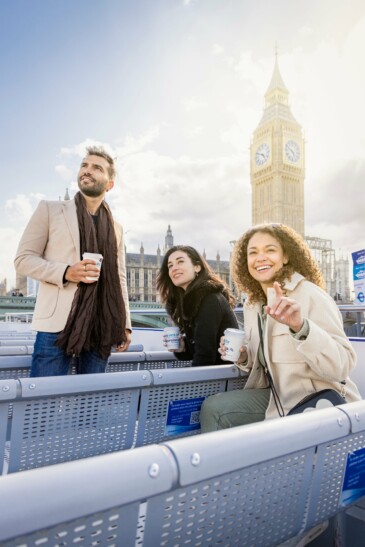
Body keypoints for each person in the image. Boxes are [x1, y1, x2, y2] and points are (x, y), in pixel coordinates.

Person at [200, 223, 361, 431]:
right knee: (213, 407)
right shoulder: (253, 304)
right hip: (277, 398)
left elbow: (343, 364)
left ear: (286, 256)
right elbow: (263, 358)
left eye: (270, 250)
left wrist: (301, 327)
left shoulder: (310, 295)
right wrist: (243, 356)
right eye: (253, 252)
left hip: (318, 403)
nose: (260, 258)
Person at [14, 145, 131, 376]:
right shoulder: (50, 209)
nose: (87, 171)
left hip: (101, 324)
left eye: (97, 168)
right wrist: (67, 272)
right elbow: (23, 260)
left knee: (89, 404)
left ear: (109, 184)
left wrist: (125, 323)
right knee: (42, 404)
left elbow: (120, 277)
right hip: (56, 325)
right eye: (84, 165)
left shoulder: (116, 228)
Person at [157, 245, 239, 366]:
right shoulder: (189, 300)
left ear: (197, 267)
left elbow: (205, 357)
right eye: (170, 265)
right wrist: (183, 347)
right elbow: (200, 348)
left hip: (223, 377)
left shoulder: (209, 299)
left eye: (180, 261)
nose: (174, 268)